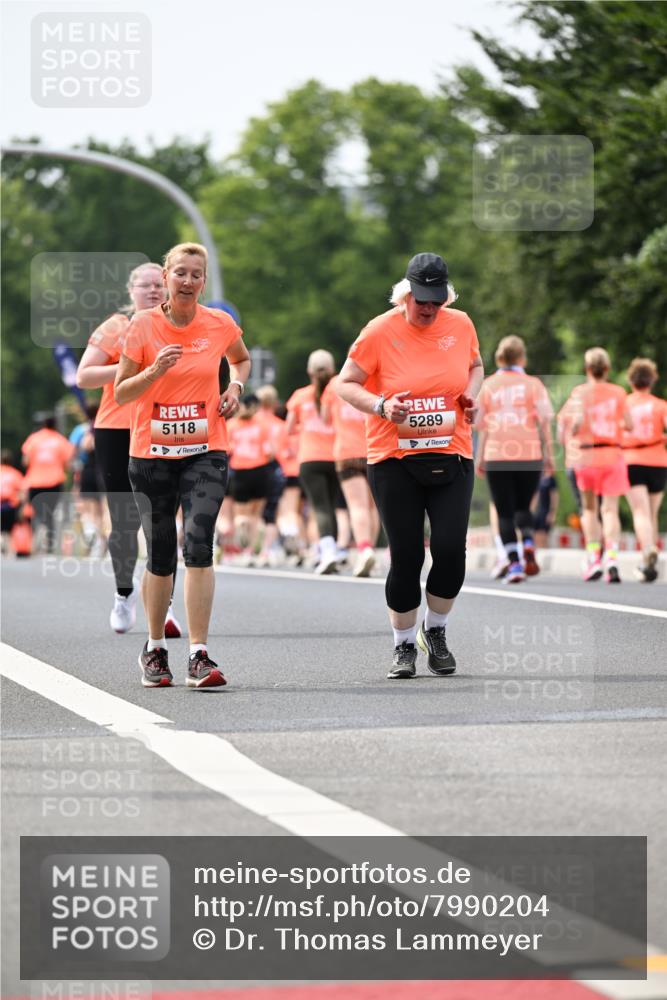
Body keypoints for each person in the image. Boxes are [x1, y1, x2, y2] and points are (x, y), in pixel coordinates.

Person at [336, 252, 483, 679]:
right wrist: (381, 405)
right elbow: (346, 383)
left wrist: (473, 394)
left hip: (451, 450)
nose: (429, 309)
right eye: (422, 300)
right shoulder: (379, 331)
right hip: (394, 457)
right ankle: (402, 646)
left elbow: (475, 366)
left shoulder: (461, 324)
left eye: (437, 300)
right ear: (406, 293)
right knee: (406, 555)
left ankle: (434, 631)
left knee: (452, 550)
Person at [114, 241, 251, 688]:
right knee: (160, 553)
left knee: (198, 545)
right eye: (181, 273)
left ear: (203, 280)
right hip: (150, 454)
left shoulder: (219, 324)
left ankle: (199, 654)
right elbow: (121, 393)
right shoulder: (143, 326)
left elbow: (241, 360)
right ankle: (155, 647)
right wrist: (153, 372)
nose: (188, 281)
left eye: (197, 274)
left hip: (206, 450)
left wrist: (235, 389)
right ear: (166, 279)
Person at [77, 261, 181, 635]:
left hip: (163, 427)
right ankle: (124, 593)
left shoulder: (178, 325)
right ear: (131, 290)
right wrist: (132, 366)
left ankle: (164, 607)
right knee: (124, 520)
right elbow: (84, 375)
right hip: (117, 428)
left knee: (162, 520)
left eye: (159, 284)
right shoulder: (115, 327)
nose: (153, 290)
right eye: (145, 285)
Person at [475, 336, 554, 583]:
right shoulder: (534, 385)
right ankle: (528, 541)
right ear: (522, 357)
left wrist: (479, 457)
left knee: (504, 513)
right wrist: (549, 456)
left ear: (499, 357)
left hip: (498, 454)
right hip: (530, 454)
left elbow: (481, 425)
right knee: (523, 507)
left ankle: (514, 563)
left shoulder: (487, 385)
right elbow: (545, 423)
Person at [566, 347, 632, 583]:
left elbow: (573, 425)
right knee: (610, 510)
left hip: (586, 456)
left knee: (590, 510)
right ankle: (612, 558)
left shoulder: (580, 392)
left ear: (587, 369)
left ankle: (594, 557)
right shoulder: (618, 392)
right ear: (607, 369)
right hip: (612, 454)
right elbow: (630, 425)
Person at [286, 350, 339, 575]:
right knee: (332, 505)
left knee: (320, 507)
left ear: (309, 371)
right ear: (333, 369)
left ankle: (326, 551)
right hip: (336, 456)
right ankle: (331, 549)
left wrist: (306, 428)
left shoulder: (299, 396)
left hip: (310, 457)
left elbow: (289, 428)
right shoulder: (338, 392)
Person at [321, 373, 380, 577]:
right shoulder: (376, 380)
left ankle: (364, 549)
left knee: (357, 506)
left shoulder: (335, 384)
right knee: (373, 507)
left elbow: (325, 417)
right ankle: (370, 548)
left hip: (346, 452)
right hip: (374, 449)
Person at [621, 358, 667, 582]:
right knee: (652, 511)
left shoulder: (624, 404)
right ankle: (649, 563)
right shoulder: (660, 405)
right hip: (658, 461)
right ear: (652, 380)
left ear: (631, 380)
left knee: (640, 512)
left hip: (632, 460)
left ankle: (647, 549)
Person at [227, 393, 274, 564]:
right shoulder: (262, 425)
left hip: (240, 471)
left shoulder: (232, 425)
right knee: (257, 514)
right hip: (260, 471)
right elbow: (270, 452)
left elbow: (226, 449)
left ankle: (241, 529)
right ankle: (251, 551)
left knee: (241, 513)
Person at [21, 415, 75, 554]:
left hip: (35, 482)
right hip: (54, 481)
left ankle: (38, 538)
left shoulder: (33, 438)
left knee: (38, 513)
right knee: (50, 513)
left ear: (43, 424)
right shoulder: (61, 440)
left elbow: (25, 461)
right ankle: (49, 541)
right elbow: (68, 464)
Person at [69, 401, 105, 555]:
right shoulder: (106, 426)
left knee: (89, 508)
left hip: (88, 470)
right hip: (105, 470)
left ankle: (94, 538)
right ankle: (102, 543)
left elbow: (73, 453)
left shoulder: (81, 430)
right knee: (103, 510)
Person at [0, 450, 26, 554]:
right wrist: (22, 507)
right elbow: (22, 493)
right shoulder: (16, 474)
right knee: (9, 530)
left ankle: (2, 543)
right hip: (11, 505)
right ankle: (9, 547)